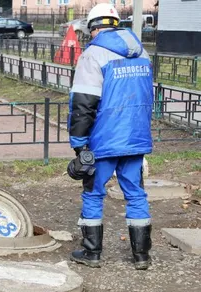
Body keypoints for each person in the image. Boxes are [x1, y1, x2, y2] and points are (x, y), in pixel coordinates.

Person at [67, 3, 154, 270]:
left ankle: (92, 252)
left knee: (93, 193)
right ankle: (141, 256)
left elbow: (84, 102)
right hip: (135, 139)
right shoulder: (143, 54)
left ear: (94, 29)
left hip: (103, 140)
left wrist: (79, 143)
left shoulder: (93, 55)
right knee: (136, 194)